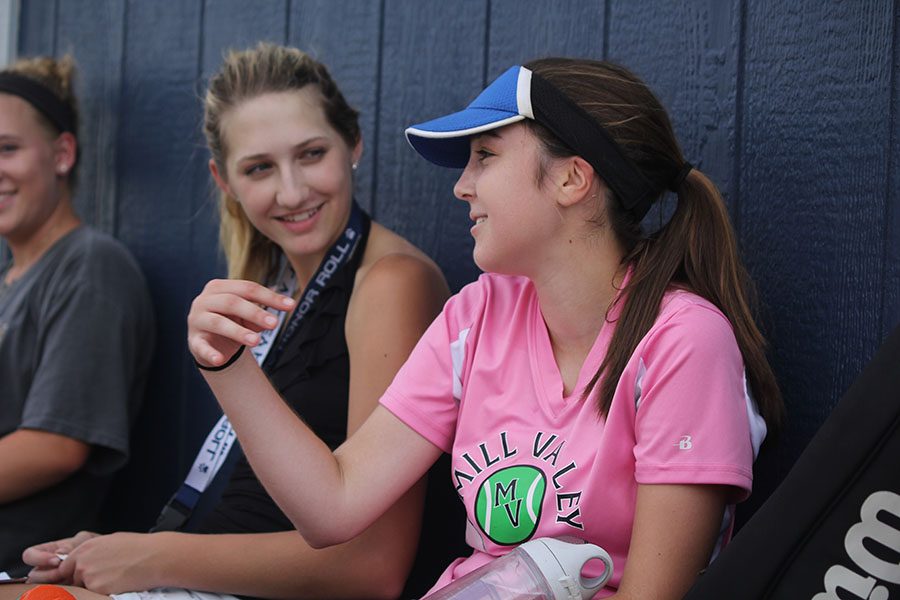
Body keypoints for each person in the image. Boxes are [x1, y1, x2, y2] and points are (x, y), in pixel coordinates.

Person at [184, 57, 784, 599]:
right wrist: (228, 365)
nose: (461, 184)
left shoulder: (683, 340)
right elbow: (334, 507)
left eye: (486, 156)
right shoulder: (476, 316)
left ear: (573, 179)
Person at [17, 43, 461, 600]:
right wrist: (111, 553)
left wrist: (153, 555)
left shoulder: (392, 281)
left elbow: (371, 566)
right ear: (223, 180)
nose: (292, 191)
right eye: (259, 168)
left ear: (354, 144)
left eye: (311, 154)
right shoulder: (273, 295)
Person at [0, 55, 155, 576]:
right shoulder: (10, 278)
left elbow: (56, 446)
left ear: (62, 153)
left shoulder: (90, 266)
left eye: (8, 149)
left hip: (24, 571)